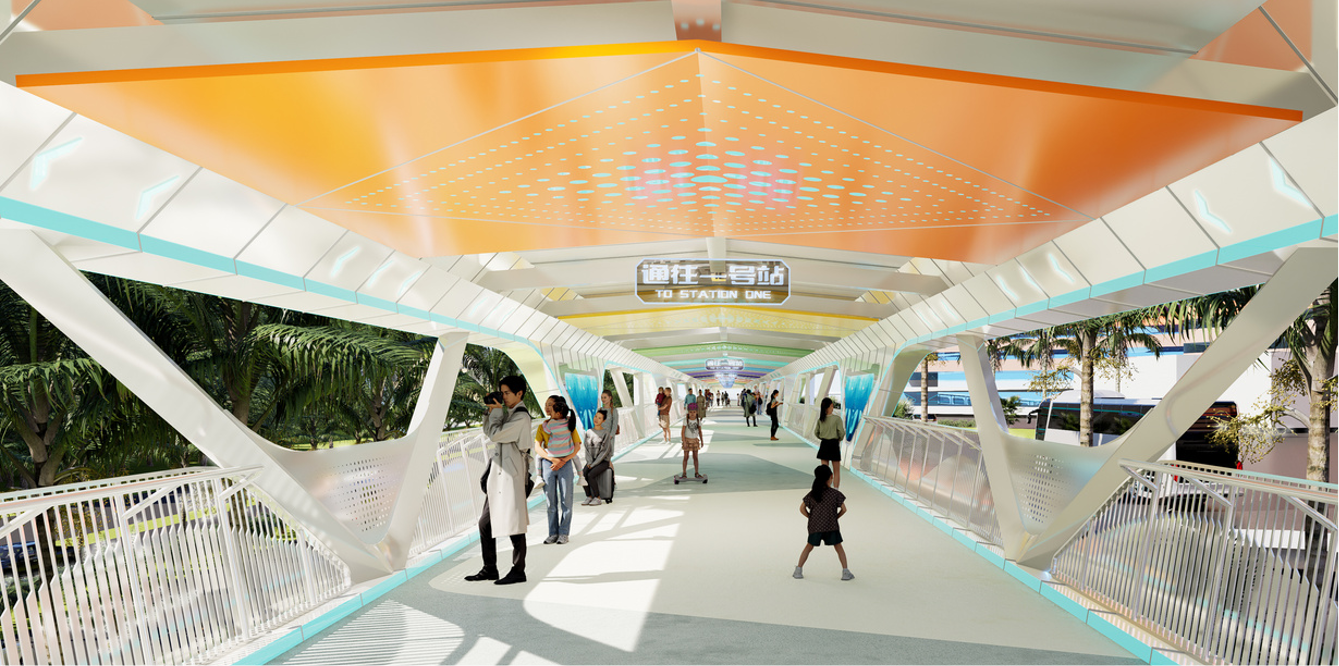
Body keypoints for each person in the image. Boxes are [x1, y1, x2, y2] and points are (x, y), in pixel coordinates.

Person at [466, 375, 532, 585]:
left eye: (507, 393)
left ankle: (518, 570)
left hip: (512, 475)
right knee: (485, 523)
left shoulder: (521, 417)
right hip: (500, 474)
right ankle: (490, 568)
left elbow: (496, 435)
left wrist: (496, 413)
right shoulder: (508, 413)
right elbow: (489, 431)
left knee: (515, 525)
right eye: (501, 393)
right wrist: (491, 411)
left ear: (519, 394)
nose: (503, 397)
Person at [794, 465, 852, 581]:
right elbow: (844, 509)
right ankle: (845, 572)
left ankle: (798, 570)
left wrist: (810, 517)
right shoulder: (835, 494)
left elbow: (801, 508)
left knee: (809, 547)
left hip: (815, 526)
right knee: (839, 547)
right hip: (831, 526)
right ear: (831, 477)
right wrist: (835, 517)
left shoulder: (812, 494)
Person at [535, 395, 580, 545]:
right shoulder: (542, 427)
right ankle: (552, 533)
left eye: (551, 405)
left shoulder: (568, 424)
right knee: (550, 502)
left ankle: (564, 533)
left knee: (567, 500)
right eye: (546, 404)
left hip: (565, 464)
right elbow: (537, 448)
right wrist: (553, 459)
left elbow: (577, 446)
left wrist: (563, 460)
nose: (547, 407)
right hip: (548, 464)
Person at [582, 409, 615, 505]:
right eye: (596, 416)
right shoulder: (588, 432)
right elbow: (587, 449)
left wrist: (593, 464)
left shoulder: (605, 433)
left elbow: (605, 452)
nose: (596, 419)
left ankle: (597, 497)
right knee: (583, 474)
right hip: (591, 462)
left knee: (591, 475)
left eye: (599, 418)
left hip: (603, 462)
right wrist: (589, 462)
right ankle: (589, 496)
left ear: (603, 421)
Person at [814, 397, 846, 489]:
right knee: (836, 471)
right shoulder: (837, 419)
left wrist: (822, 437)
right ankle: (836, 490)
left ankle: (824, 489)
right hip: (834, 445)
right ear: (831, 405)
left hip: (824, 444)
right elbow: (841, 433)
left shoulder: (821, 419)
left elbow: (816, 432)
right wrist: (838, 439)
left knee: (824, 471)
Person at [680, 408, 703, 479]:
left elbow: (700, 431)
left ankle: (696, 472)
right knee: (686, 457)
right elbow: (683, 431)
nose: (692, 413)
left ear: (696, 412)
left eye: (694, 412)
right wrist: (684, 441)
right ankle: (684, 473)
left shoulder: (698, 421)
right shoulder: (686, 420)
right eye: (690, 412)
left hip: (695, 441)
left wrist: (702, 440)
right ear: (688, 412)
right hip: (687, 440)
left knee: (695, 457)